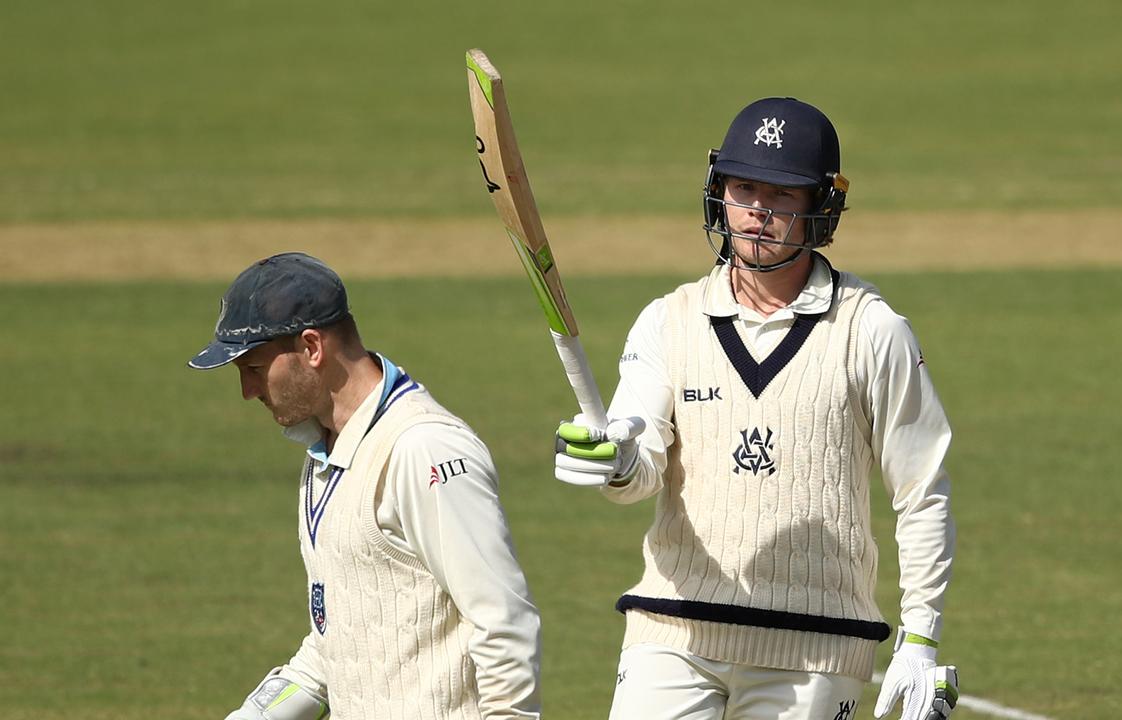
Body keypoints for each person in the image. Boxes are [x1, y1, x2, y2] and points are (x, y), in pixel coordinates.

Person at [553, 98, 959, 720]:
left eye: (783, 195)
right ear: (719, 192)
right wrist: (613, 460)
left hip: (817, 648)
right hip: (673, 633)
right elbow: (641, 464)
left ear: (820, 206)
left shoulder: (871, 330)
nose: (758, 213)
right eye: (744, 188)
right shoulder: (669, 320)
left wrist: (922, 636)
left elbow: (922, 487)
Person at [190, 252, 541, 720]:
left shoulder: (423, 448)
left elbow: (503, 622)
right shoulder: (325, 453)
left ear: (312, 347)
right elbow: (336, 643)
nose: (247, 392)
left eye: (253, 369)